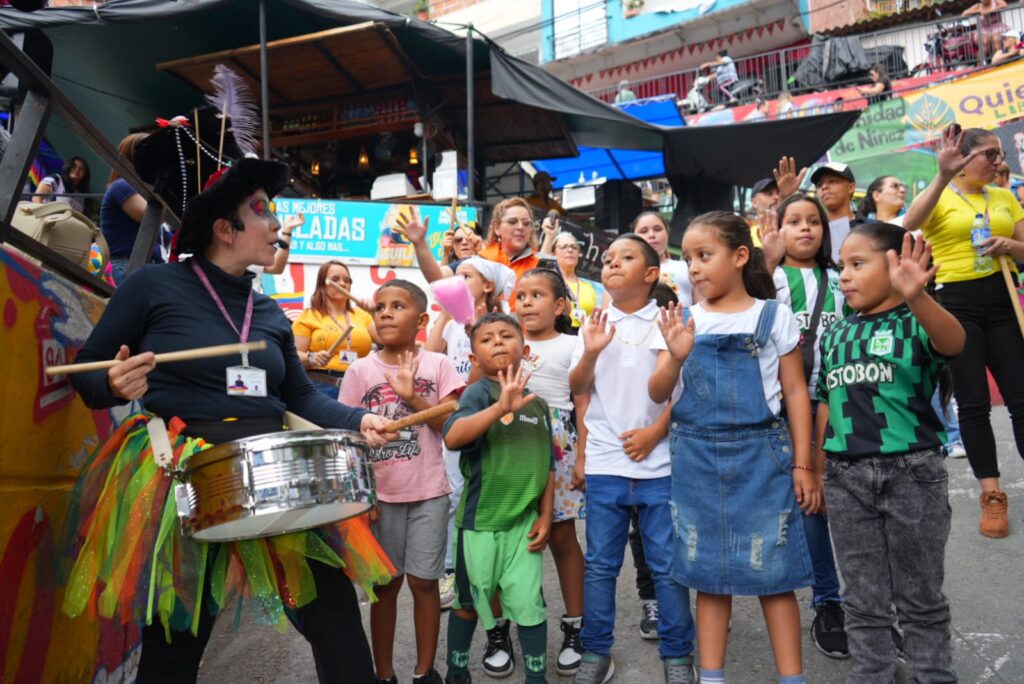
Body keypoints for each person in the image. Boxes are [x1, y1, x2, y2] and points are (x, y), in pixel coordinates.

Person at [63, 158, 398, 683]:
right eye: (262, 211)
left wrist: (362, 419)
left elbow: (303, 397)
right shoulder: (153, 285)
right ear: (224, 228)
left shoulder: (268, 314)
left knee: (336, 622)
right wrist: (112, 383)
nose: (275, 225)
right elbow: (88, 373)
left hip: (274, 477)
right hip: (184, 479)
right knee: (175, 647)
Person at [650, 211, 816, 684]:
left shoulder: (773, 315)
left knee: (775, 576)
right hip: (695, 459)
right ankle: (712, 676)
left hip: (762, 456)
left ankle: (793, 678)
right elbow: (658, 393)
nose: (694, 268)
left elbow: (797, 393)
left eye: (705, 255)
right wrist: (676, 357)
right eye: (688, 259)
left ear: (741, 256)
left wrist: (803, 464)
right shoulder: (682, 320)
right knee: (708, 577)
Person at [816, 222, 965, 683]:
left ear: (896, 265)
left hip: (912, 472)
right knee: (861, 596)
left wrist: (918, 296)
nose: (844, 275)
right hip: (844, 477)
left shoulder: (917, 321)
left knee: (920, 597)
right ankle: (872, 674)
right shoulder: (836, 333)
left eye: (858, 264)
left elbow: (953, 342)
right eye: (842, 266)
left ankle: (932, 674)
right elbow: (824, 398)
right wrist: (818, 465)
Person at [568, 233, 697, 683]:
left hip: (658, 464)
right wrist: (590, 351)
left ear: (651, 274)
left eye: (626, 258)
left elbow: (660, 394)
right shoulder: (593, 323)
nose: (613, 264)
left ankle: (678, 654)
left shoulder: (666, 322)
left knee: (665, 563)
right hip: (606, 463)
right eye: (608, 259)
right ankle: (595, 651)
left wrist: (676, 359)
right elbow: (579, 387)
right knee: (601, 564)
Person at [339, 280, 463, 684]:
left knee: (424, 583)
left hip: (430, 493)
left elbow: (451, 427)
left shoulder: (439, 365)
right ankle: (384, 674)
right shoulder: (360, 370)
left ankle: (426, 672)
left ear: (422, 319)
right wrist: (362, 497)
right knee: (386, 588)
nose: (386, 313)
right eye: (380, 307)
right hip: (381, 499)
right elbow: (348, 440)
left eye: (398, 306)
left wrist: (413, 398)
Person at [903, 125, 1024, 539]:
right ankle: (991, 494)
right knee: (972, 403)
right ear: (965, 158)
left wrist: (1009, 246)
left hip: (1003, 298)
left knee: (1021, 397)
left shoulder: (1006, 197)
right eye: (988, 155)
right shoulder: (942, 194)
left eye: (998, 155)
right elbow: (910, 221)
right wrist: (940, 174)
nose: (997, 162)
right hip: (957, 304)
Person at [442, 312, 556, 684]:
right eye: (487, 339)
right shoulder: (478, 393)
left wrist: (546, 516)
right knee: (468, 603)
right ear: (474, 359)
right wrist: (499, 409)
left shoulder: (537, 404)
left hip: (523, 524)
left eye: (506, 336)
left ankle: (536, 678)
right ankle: (457, 670)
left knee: (529, 605)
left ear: (524, 349)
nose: (497, 343)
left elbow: (548, 465)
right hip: (479, 524)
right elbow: (453, 437)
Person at [761, 193, 852, 659]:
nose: (804, 229)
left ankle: (869, 605)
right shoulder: (770, 278)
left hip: (839, 399)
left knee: (846, 503)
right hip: (782, 405)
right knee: (809, 501)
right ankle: (828, 600)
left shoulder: (840, 278)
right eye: (793, 220)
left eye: (813, 221)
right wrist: (765, 259)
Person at [516, 268, 587, 675]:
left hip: (558, 445)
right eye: (521, 295)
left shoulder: (572, 345)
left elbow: (583, 403)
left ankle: (575, 625)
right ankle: (509, 627)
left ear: (559, 305)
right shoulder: (506, 341)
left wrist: (583, 457)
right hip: (511, 444)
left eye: (537, 295)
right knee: (512, 536)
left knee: (562, 536)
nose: (526, 302)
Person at [293, 260, 376, 398]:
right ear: (322, 285)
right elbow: (292, 355)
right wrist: (312, 357)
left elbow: (386, 340)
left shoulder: (363, 315)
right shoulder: (309, 315)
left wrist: (375, 313)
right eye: (335, 279)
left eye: (347, 280)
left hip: (358, 387)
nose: (343, 284)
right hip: (321, 386)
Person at [100, 133, 150, 283]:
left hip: (139, 266)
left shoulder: (138, 190)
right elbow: (148, 215)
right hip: (126, 265)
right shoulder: (123, 186)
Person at [479, 197, 553, 289]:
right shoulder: (481, 262)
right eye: (512, 222)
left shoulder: (542, 265)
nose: (520, 227)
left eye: (526, 223)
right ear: (497, 228)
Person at [631, 211, 693, 306]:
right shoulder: (626, 271)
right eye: (644, 231)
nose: (652, 235)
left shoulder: (687, 267)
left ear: (667, 234)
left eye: (657, 229)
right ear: (633, 238)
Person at [540, 227, 598, 329]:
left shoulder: (589, 287)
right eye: (563, 247)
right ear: (553, 253)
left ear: (578, 254)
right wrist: (549, 235)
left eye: (574, 247)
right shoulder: (548, 281)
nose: (570, 250)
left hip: (583, 339)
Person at [811, 162, 858, 262]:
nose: (824, 187)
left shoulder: (873, 227)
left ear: (850, 187)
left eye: (832, 181)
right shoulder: (813, 232)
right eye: (819, 185)